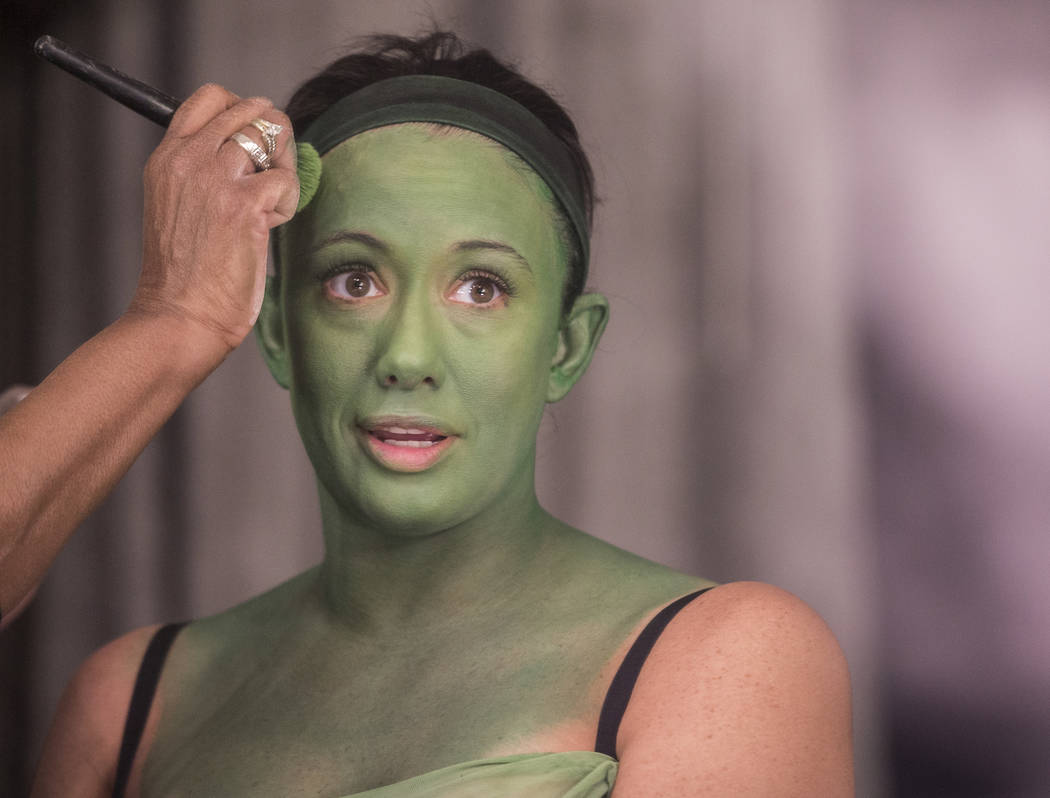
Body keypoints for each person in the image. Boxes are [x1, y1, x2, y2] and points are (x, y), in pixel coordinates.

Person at [28, 32, 852, 797]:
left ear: (565, 348)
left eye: (481, 288)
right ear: (276, 328)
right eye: (353, 281)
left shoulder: (729, 660)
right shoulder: (129, 703)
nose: (409, 355)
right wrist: (172, 319)